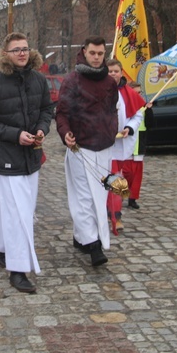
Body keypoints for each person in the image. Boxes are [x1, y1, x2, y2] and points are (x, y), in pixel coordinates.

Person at [0, 32, 54, 293]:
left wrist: (43, 129)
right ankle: (18, 269)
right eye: (16, 49)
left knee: (17, 210)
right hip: (8, 158)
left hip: (32, 158)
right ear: (5, 55)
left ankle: (2, 247)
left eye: (25, 48)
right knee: (19, 215)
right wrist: (14, 135)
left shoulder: (39, 80)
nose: (22, 53)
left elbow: (46, 110)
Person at [56, 37, 120, 267]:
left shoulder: (110, 83)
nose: (96, 57)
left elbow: (113, 110)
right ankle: (94, 247)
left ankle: (80, 236)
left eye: (100, 54)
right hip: (80, 147)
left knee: (99, 197)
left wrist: (112, 130)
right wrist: (66, 134)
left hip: (104, 146)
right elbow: (61, 113)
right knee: (83, 197)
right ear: (84, 52)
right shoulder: (72, 81)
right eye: (92, 53)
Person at [107, 60, 148, 230]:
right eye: (109, 71)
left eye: (116, 71)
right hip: (103, 144)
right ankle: (111, 213)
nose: (113, 74)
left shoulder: (129, 93)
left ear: (121, 72)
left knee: (116, 179)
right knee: (111, 179)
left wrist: (129, 129)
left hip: (121, 144)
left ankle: (115, 214)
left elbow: (138, 115)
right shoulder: (99, 91)